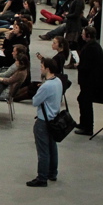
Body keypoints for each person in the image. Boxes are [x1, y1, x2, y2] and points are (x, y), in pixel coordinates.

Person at [28, 56, 63, 187]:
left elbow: (35, 101)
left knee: (43, 151)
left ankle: (42, 178)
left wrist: (39, 90)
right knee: (52, 147)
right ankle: (52, 173)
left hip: (43, 121)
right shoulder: (58, 81)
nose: (40, 69)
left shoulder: (46, 86)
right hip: (54, 119)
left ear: (47, 69)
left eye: (42, 67)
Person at [75, 26, 103, 135]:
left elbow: (87, 66)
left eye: (83, 34)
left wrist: (79, 65)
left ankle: (88, 127)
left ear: (88, 35)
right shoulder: (94, 46)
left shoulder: (91, 48)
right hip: (90, 81)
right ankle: (83, 123)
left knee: (85, 102)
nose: (81, 35)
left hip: (89, 82)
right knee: (82, 100)